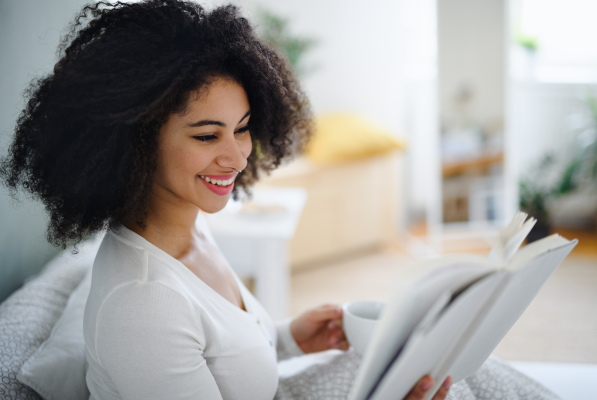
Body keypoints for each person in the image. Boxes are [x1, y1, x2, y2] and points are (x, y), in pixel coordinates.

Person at [0, 1, 452, 399]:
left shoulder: (187, 226)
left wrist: (288, 337)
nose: (237, 156)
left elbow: (213, 357)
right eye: (207, 134)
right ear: (133, 142)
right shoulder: (142, 304)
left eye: (242, 128)